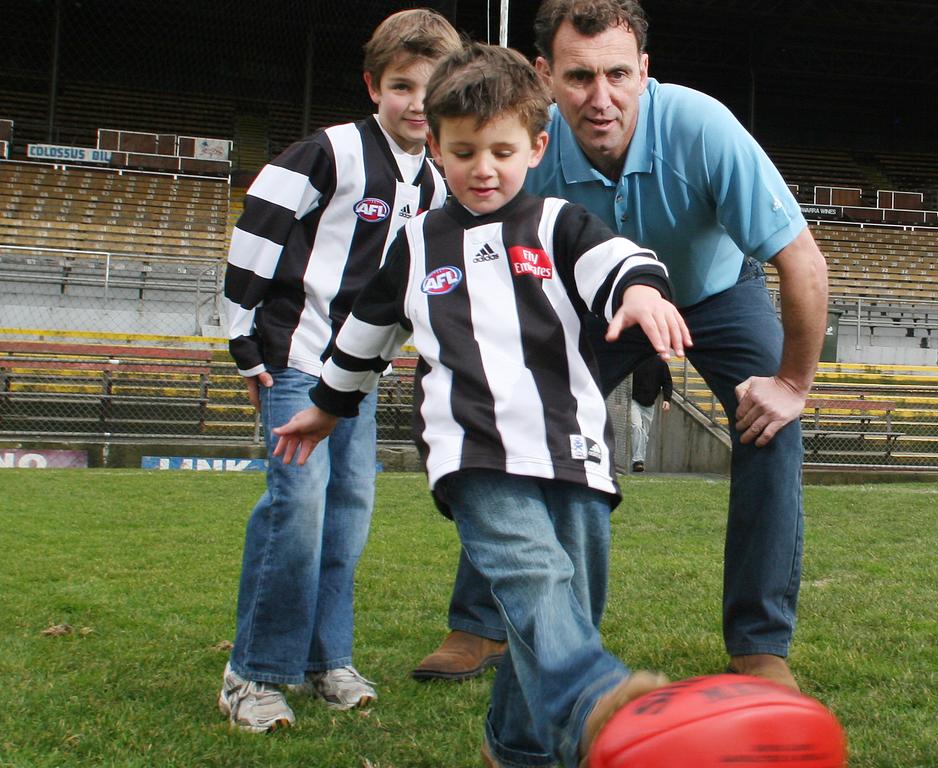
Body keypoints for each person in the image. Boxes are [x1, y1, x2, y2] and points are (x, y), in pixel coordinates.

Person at [272, 42, 690, 768]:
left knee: (565, 608)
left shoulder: (560, 224)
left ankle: (519, 749)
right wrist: (326, 408)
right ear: (435, 147)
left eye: (501, 149)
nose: (484, 168)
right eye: (463, 152)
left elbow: (620, 263)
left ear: (536, 144)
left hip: (575, 452)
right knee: (532, 578)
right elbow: (364, 341)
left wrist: (644, 293)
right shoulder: (414, 245)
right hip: (475, 452)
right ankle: (596, 694)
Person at [421, 0, 829, 693]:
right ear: (546, 76)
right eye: (579, 77)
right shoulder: (526, 141)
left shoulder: (702, 128)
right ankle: (480, 624)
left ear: (644, 70)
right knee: (511, 417)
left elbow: (803, 261)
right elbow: (462, 238)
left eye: (617, 74)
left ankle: (759, 643)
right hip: (589, 305)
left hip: (715, 295)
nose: (600, 98)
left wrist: (791, 385)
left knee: (772, 429)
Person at [216, 8, 461, 733]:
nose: (416, 102)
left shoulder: (437, 181)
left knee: (348, 517)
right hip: (294, 359)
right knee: (299, 510)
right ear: (371, 86)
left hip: (355, 378)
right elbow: (259, 225)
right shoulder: (329, 152)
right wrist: (241, 336)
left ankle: (327, 660)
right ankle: (252, 674)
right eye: (400, 86)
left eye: (431, 87)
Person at [629, 355, 672, 472]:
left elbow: (667, 381)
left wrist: (667, 399)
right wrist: (619, 401)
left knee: (644, 434)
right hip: (634, 400)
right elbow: (623, 380)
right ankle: (638, 461)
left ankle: (639, 460)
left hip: (649, 403)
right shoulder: (635, 360)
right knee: (637, 427)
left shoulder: (660, 363)